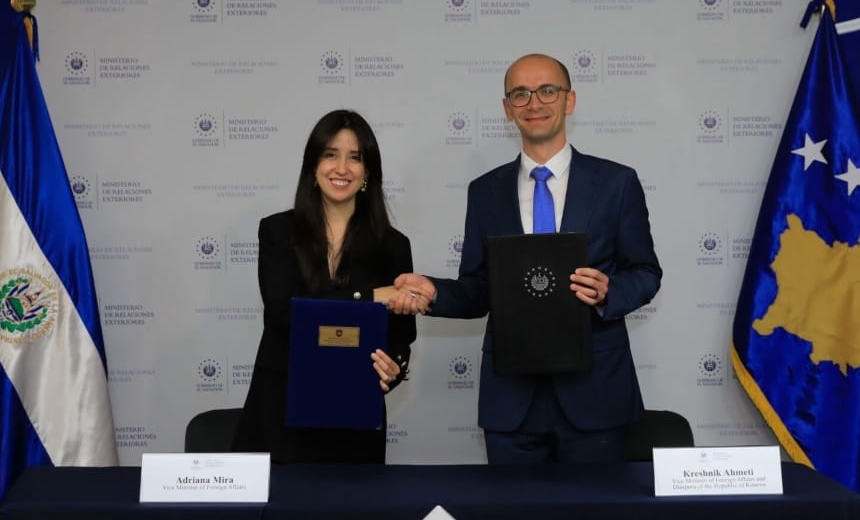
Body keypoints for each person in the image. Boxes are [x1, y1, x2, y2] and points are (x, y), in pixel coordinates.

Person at [391, 53, 662, 465]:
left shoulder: (616, 183)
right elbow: (480, 289)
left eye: (547, 90)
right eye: (520, 94)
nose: (534, 103)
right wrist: (434, 292)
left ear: (569, 100)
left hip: (596, 396)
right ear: (507, 108)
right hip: (511, 401)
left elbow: (645, 272)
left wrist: (610, 291)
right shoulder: (485, 191)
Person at [233, 109, 417, 464]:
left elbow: (401, 335)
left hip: (355, 412)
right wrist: (371, 297)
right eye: (330, 155)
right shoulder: (277, 232)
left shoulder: (394, 245)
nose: (342, 168)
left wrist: (393, 368)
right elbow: (285, 313)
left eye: (355, 158)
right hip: (281, 409)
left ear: (367, 172)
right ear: (313, 165)